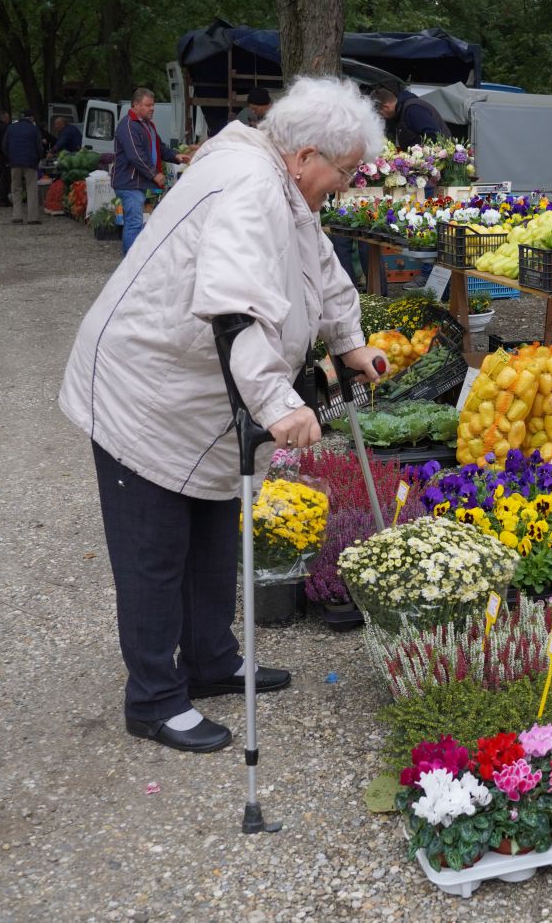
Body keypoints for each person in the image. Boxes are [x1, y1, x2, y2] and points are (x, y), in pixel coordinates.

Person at [59, 76, 388, 753]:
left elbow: (319, 267)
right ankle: (152, 697)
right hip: (144, 392)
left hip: (195, 398)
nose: (348, 184)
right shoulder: (251, 187)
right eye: (345, 170)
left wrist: (349, 343)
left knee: (211, 535)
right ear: (303, 156)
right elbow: (235, 310)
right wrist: (277, 403)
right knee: (155, 551)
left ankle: (210, 659)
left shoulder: (284, 184)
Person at [113, 87, 188, 254]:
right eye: (148, 105)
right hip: (129, 183)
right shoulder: (128, 126)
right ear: (136, 105)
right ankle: (129, 265)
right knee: (133, 222)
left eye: (152, 105)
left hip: (137, 182)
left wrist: (176, 156)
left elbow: (159, 147)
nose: (152, 108)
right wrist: (154, 173)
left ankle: (133, 261)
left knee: (135, 222)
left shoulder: (147, 125)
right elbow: (136, 155)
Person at [370, 85, 448, 147]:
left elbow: (435, 136)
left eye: (379, 113)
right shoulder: (400, 111)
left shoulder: (412, 110)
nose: (381, 117)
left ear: (385, 107)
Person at [4, 109, 43, 225]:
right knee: (31, 188)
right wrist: (38, 159)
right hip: (30, 162)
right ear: (30, 118)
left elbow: (4, 145)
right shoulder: (34, 129)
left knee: (16, 189)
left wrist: (10, 158)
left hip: (14, 162)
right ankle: (32, 218)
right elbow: (39, 147)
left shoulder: (10, 128)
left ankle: (17, 216)